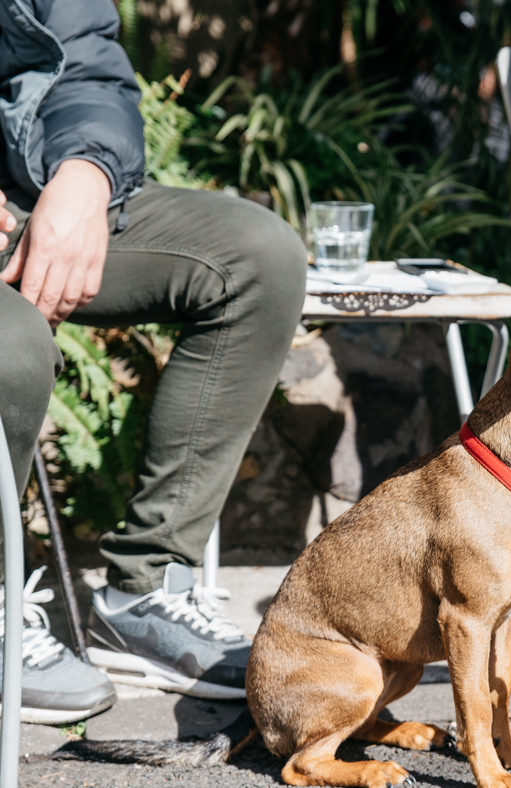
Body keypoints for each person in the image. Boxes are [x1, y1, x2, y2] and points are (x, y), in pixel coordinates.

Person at [0, 0, 307, 721]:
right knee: (14, 343)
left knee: (258, 259)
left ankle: (143, 593)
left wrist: (85, 172)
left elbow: (89, 66)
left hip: (23, 196)